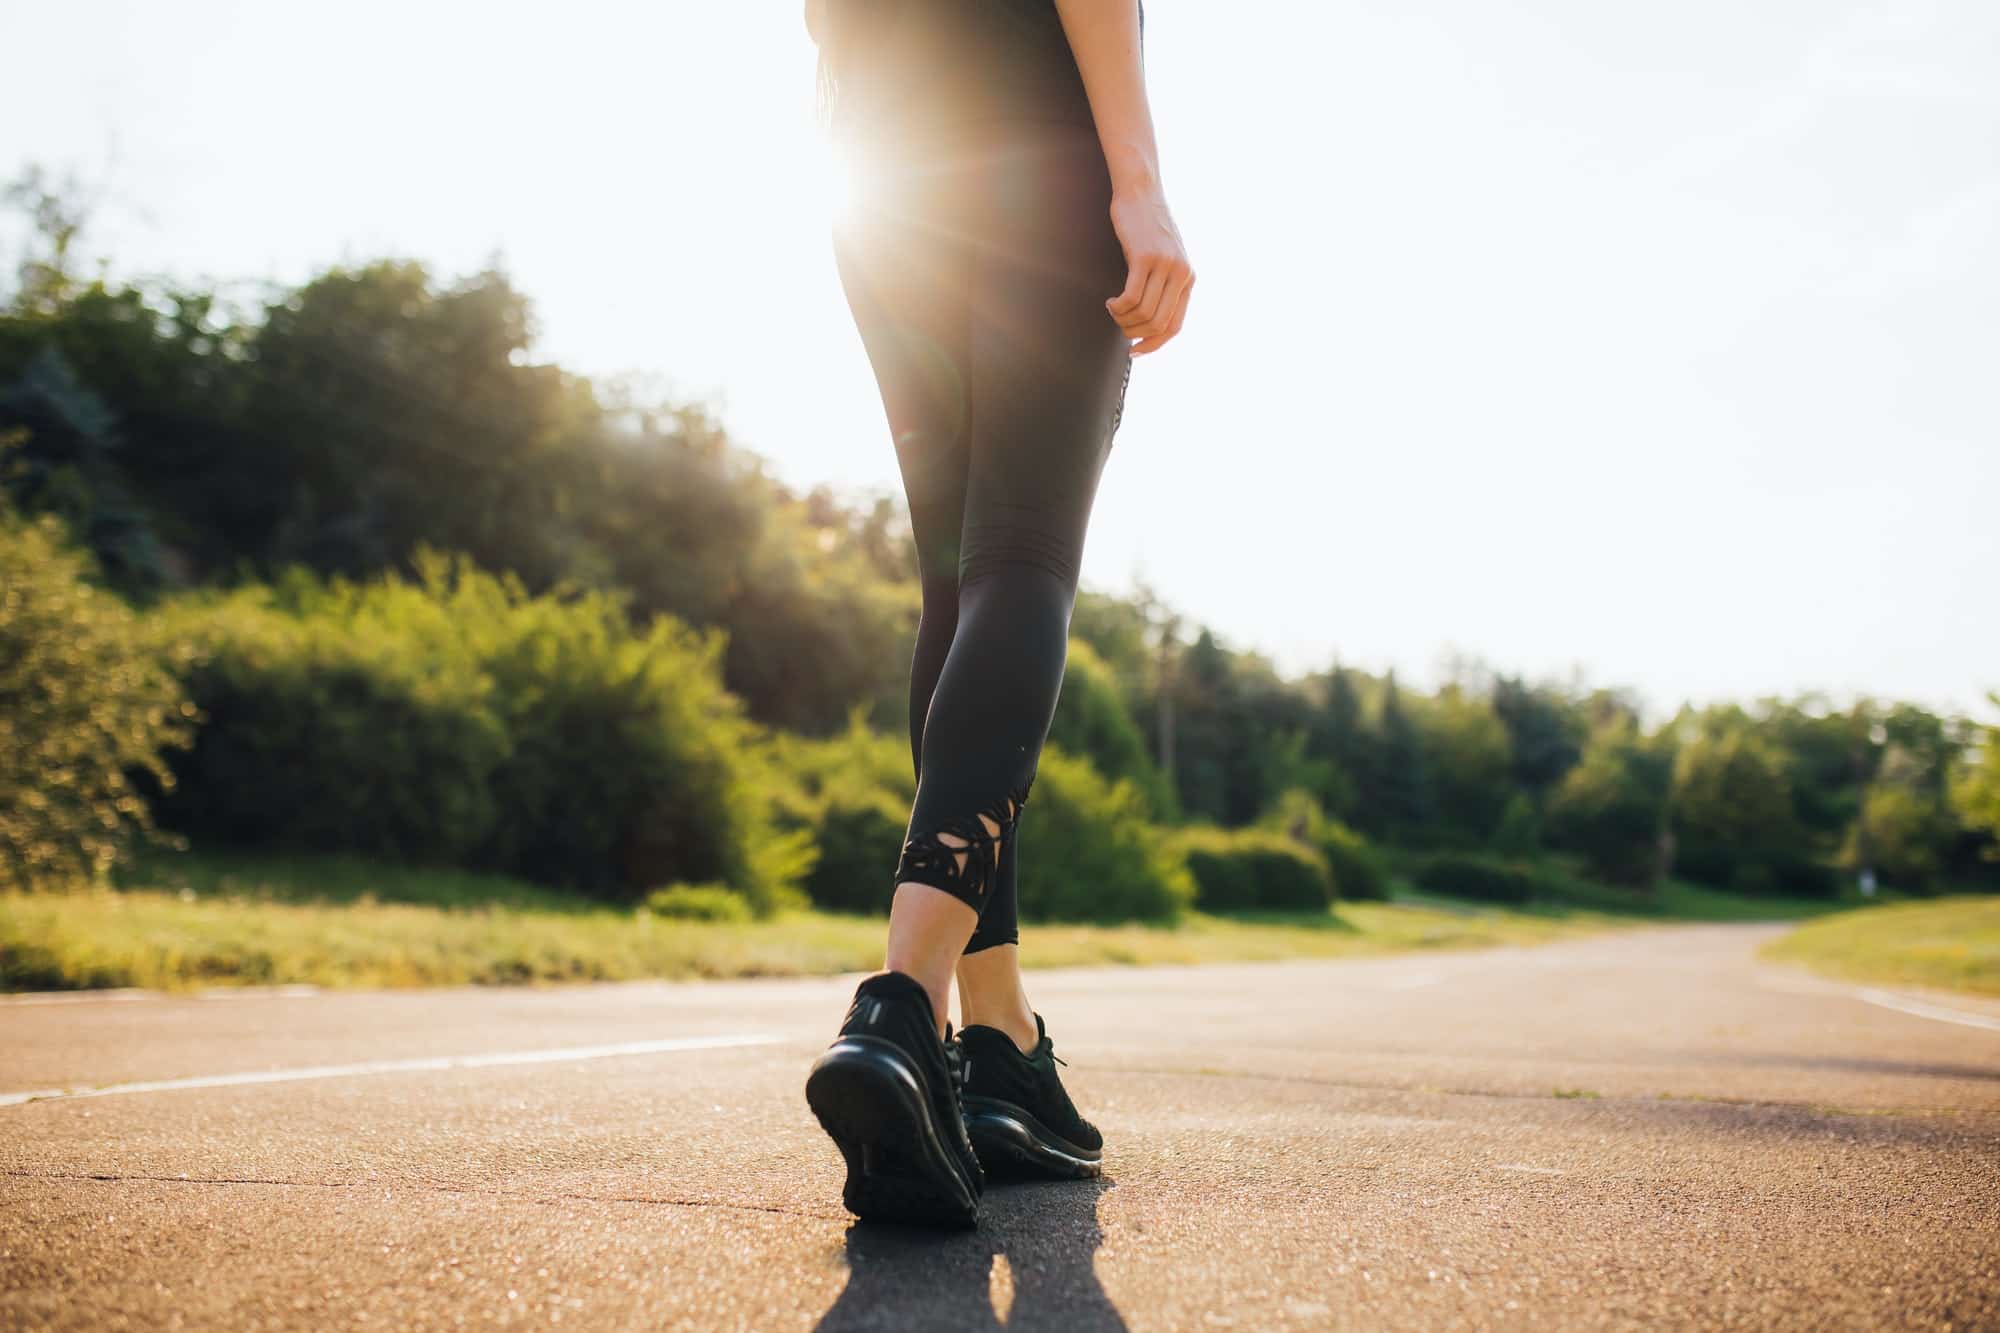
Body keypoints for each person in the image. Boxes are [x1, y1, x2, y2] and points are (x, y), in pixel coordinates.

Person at [800, 0, 1193, 1228]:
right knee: (1020, 561)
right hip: (1033, 154)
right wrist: (1137, 182)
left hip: (885, 188)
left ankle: (1000, 1047)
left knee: (954, 589)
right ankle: (904, 1005)